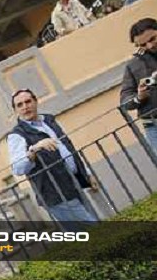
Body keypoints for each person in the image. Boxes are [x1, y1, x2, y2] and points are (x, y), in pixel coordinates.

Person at [7, 89, 98, 227]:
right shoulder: (17, 135)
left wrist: (87, 173)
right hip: (55, 193)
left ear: (36, 102)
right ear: (15, 110)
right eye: (19, 105)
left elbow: (68, 149)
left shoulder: (48, 121)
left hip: (73, 184)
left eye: (28, 101)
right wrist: (34, 148)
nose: (25, 107)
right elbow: (18, 168)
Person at [120, 18, 157, 154]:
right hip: (153, 124)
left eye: (153, 39)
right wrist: (139, 97)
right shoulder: (133, 65)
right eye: (142, 44)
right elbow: (125, 102)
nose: (149, 46)